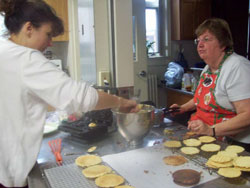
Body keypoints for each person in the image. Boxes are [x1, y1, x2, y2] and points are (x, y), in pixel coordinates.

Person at [0, 0, 138, 187]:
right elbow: (80, 97)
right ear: (29, 28)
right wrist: (121, 102)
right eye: (48, 34)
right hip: (9, 171)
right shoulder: (26, 59)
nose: (50, 43)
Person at [170, 18, 250, 151]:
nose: (199, 44)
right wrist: (182, 108)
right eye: (198, 40)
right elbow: (202, 98)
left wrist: (211, 130)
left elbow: (247, 114)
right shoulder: (208, 68)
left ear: (223, 44)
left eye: (206, 39)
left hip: (236, 144)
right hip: (212, 137)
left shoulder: (237, 67)